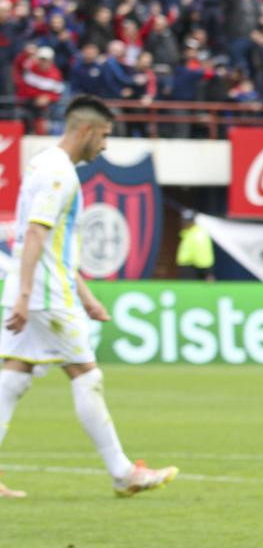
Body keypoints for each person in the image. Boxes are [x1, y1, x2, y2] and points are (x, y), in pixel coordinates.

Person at [0, 96, 178, 499]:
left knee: (14, 374)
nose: (105, 146)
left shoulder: (42, 164)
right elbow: (35, 235)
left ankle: (121, 471)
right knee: (87, 374)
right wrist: (28, 295)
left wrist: (86, 295)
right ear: (86, 131)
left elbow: (51, 246)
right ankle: (122, 472)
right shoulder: (59, 174)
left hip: (35, 288)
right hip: (45, 294)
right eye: (104, 136)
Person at [176, 209, 215, 281]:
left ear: (193, 221)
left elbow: (203, 254)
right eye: (184, 220)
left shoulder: (198, 234)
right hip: (188, 269)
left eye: (188, 221)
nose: (185, 223)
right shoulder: (188, 233)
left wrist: (207, 272)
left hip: (193, 270)